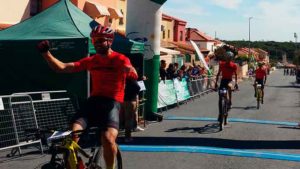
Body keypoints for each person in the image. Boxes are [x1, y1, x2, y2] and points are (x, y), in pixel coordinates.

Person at [37, 24, 137, 169]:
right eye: (94, 40)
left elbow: (133, 72)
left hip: (112, 104)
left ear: (110, 41)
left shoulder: (120, 59)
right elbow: (62, 68)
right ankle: (76, 165)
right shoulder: (91, 60)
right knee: (72, 136)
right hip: (93, 103)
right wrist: (45, 53)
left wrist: (130, 71)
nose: (96, 43)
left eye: (100, 40)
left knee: (108, 139)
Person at [215, 50, 238, 123]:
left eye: (229, 58)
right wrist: (216, 82)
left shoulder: (234, 65)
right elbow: (218, 73)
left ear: (231, 58)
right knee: (220, 96)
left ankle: (230, 101)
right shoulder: (221, 64)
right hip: (223, 81)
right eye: (227, 57)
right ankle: (220, 113)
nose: (228, 59)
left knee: (229, 87)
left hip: (230, 80)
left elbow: (236, 74)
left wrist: (236, 83)